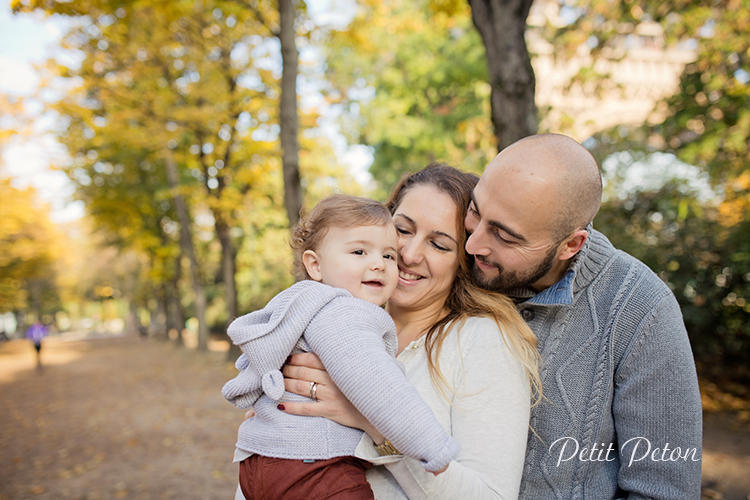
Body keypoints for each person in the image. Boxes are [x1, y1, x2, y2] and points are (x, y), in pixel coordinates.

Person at [274, 165, 541, 500]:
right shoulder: (334, 323)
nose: (409, 255)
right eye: (402, 230)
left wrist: (374, 423)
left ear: (464, 261)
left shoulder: (483, 341)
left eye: (440, 245)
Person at [463, 134, 702, 499]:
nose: (473, 244)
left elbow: (664, 489)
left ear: (571, 245)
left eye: (505, 237)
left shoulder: (640, 309)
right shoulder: (457, 266)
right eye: (476, 210)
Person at [224, 194, 460, 500]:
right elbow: (380, 387)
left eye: (389, 256)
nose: (378, 264)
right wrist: (433, 446)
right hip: (315, 468)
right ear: (315, 265)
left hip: (260, 463)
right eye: (359, 251)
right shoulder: (343, 314)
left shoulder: (300, 306)